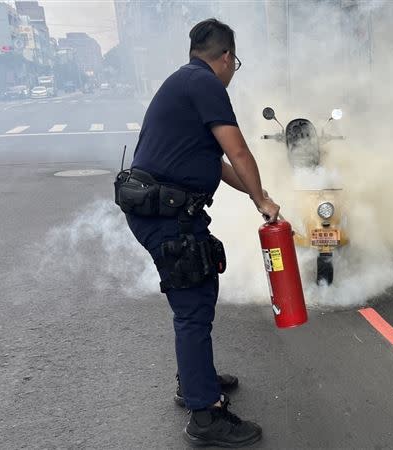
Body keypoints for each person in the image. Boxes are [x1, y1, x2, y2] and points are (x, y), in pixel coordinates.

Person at [119, 18, 279, 447]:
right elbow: (238, 149)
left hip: (165, 209)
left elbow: (220, 168)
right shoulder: (205, 84)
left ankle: (196, 381)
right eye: (234, 62)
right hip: (166, 214)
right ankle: (204, 415)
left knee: (197, 296)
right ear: (225, 57)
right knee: (193, 305)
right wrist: (262, 202)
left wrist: (258, 193)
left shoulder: (186, 82)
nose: (232, 71)